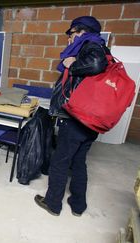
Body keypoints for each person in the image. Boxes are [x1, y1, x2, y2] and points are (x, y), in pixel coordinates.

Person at [35, 16, 110, 216]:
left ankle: (52, 203)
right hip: (92, 119)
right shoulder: (102, 48)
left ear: (82, 32)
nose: (70, 39)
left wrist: (71, 63)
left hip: (77, 118)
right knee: (78, 161)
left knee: (60, 160)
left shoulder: (91, 46)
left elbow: (94, 65)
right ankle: (78, 204)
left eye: (72, 34)